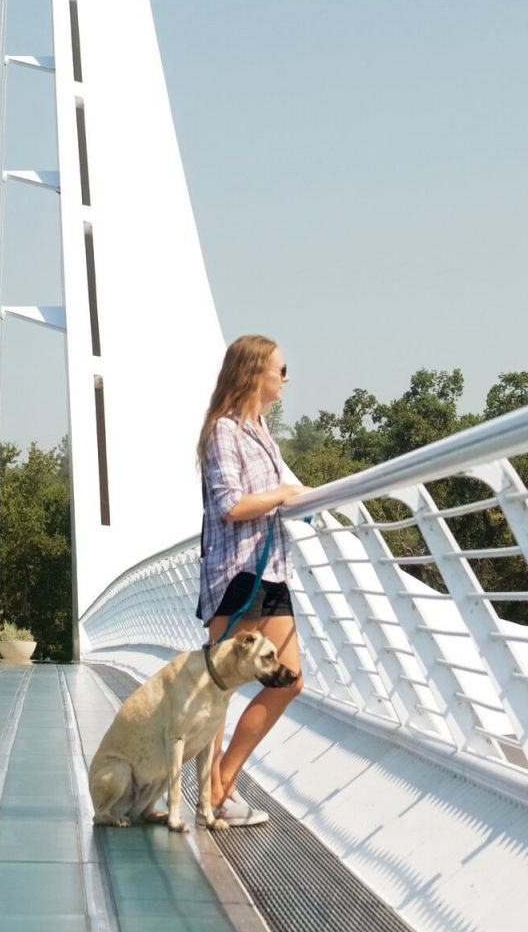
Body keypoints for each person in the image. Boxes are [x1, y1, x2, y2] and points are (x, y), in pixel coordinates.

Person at [196, 334, 308, 829]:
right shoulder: (223, 431)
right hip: (238, 573)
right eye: (281, 370)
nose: (287, 379)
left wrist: (295, 496)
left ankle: (221, 782)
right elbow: (231, 504)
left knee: (289, 679)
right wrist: (283, 494)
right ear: (254, 374)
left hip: (273, 569)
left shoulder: (261, 430)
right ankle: (214, 796)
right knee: (219, 688)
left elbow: (285, 493)